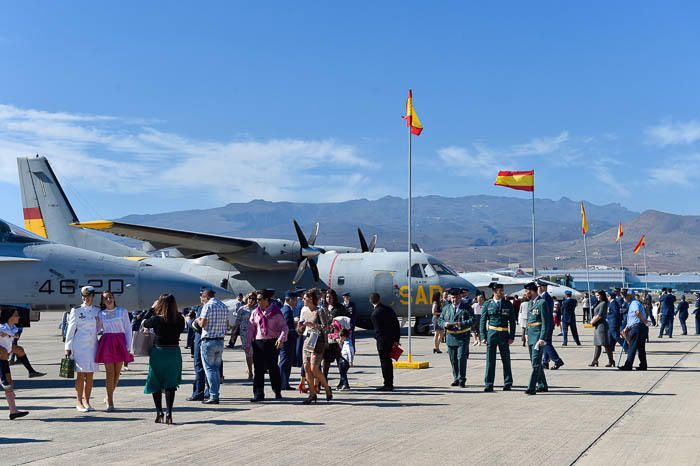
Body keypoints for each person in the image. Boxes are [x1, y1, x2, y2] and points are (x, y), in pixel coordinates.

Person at [143, 294, 185, 424]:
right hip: (173, 352)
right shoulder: (180, 319)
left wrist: (152, 309)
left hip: (159, 352)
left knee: (155, 382)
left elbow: (143, 321)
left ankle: (159, 411)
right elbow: (181, 330)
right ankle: (169, 413)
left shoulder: (157, 319)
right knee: (170, 384)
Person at [246, 289, 288, 402]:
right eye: (256, 299)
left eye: (259, 299)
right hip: (259, 343)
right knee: (258, 369)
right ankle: (258, 394)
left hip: (272, 342)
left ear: (266, 300)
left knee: (273, 368)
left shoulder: (276, 312)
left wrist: (281, 339)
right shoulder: (255, 312)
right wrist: (248, 343)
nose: (257, 301)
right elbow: (251, 329)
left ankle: (277, 391)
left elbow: (284, 327)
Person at [95, 291, 133, 411]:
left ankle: (108, 395)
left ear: (114, 298)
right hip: (107, 342)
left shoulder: (122, 311)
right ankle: (110, 401)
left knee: (117, 373)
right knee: (109, 373)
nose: (108, 300)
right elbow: (97, 328)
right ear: (103, 301)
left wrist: (129, 346)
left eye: (110, 297)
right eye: (106, 298)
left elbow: (128, 329)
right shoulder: (101, 314)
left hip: (120, 342)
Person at [65, 286, 100, 412]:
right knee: (80, 375)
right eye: (85, 297)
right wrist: (67, 347)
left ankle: (87, 401)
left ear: (93, 297)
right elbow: (71, 329)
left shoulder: (97, 310)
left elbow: (99, 328)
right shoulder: (76, 310)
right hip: (79, 345)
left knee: (90, 375)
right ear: (82, 297)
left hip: (93, 345)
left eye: (89, 297)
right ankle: (78, 401)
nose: (87, 299)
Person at [479, 283, 516, 392]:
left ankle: (508, 382)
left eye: (502, 290)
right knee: (490, 360)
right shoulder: (487, 304)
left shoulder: (507, 304)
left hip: (504, 334)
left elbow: (512, 321)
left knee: (506, 360)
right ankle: (489, 383)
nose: (502, 292)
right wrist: (483, 336)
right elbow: (483, 320)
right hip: (492, 334)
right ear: (494, 292)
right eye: (500, 290)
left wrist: (512, 336)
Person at [298, 288, 332, 403]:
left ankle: (327, 387)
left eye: (305, 298)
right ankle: (312, 394)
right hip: (308, 340)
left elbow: (327, 327)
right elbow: (300, 325)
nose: (303, 300)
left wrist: (315, 325)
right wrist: (300, 327)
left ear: (311, 299)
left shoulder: (320, 311)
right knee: (307, 367)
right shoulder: (304, 310)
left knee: (314, 368)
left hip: (319, 341)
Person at [197, 287, 229, 404]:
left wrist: (197, 320)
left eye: (202, 297)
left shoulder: (208, 305)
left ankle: (214, 395)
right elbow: (227, 325)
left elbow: (202, 324)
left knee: (209, 369)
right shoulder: (223, 306)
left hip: (208, 340)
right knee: (216, 369)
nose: (201, 299)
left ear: (206, 296)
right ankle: (215, 394)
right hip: (220, 341)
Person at [439, 288, 473, 387]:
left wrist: (461, 324)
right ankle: (456, 378)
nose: (455, 300)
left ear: (460, 297)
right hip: (450, 337)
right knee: (453, 359)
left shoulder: (466, 308)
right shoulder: (446, 308)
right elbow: (440, 320)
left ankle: (462, 378)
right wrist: (444, 324)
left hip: (463, 336)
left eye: (457, 297)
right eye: (453, 298)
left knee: (461, 358)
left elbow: (473, 320)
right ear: (450, 298)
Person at [0, 309, 30, 420]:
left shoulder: (9, 327)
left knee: (9, 383)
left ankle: (13, 411)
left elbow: (14, 335)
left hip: (3, 359)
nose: (19, 317)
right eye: (16, 315)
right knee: (7, 382)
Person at [523, 282, 551, 395]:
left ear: (532, 291)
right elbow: (529, 320)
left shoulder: (542, 303)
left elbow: (546, 322)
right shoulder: (530, 303)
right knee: (535, 362)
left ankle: (531, 387)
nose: (525, 293)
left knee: (535, 362)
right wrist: (525, 334)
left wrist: (542, 338)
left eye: (527, 291)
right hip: (530, 336)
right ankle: (543, 385)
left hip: (538, 337)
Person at [370, 292, 400, 391]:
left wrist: (376, 338)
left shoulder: (375, 314)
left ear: (371, 301)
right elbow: (396, 325)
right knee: (389, 362)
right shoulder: (389, 309)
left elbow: (378, 331)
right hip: (391, 341)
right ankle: (390, 383)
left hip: (382, 342)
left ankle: (387, 383)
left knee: (384, 363)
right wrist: (396, 339)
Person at [619, 291, 649, 371]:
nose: (623, 298)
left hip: (638, 327)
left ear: (630, 296)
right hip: (639, 327)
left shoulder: (634, 303)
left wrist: (644, 321)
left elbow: (637, 312)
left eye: (625, 296)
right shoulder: (632, 303)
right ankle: (643, 365)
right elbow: (632, 319)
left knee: (632, 347)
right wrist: (626, 329)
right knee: (640, 348)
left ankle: (628, 365)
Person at [322, 290, 347, 383]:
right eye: (327, 297)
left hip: (337, 338)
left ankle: (343, 381)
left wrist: (343, 335)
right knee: (326, 361)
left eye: (330, 297)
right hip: (327, 338)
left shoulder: (340, 308)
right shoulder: (323, 308)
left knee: (340, 360)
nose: (329, 299)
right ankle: (324, 380)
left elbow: (347, 321)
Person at [538, 282, 564, 370]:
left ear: (541, 287)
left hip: (546, 324)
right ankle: (545, 361)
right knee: (546, 343)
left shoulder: (544, 297)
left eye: (538, 287)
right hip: (549, 323)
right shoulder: (547, 296)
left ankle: (557, 360)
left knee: (545, 343)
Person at [279, 291, 299, 391]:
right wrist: (296, 333)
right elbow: (286, 327)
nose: (296, 302)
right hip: (287, 340)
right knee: (285, 361)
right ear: (290, 299)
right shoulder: (287, 310)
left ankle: (284, 383)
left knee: (286, 362)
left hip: (287, 340)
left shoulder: (285, 309)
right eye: (295, 300)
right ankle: (282, 383)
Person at [589, 290, 615, 367]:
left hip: (601, 325)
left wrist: (592, 322)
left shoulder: (603, 304)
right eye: (596, 295)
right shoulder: (599, 303)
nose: (597, 297)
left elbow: (600, 315)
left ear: (602, 295)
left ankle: (611, 361)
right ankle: (595, 360)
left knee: (604, 344)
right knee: (597, 344)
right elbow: (595, 314)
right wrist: (593, 321)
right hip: (597, 325)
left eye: (598, 295)